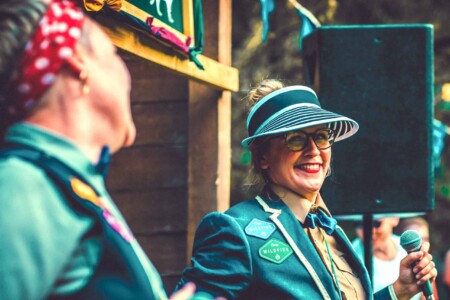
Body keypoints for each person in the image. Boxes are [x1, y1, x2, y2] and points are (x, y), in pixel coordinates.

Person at [0, 0, 197, 299]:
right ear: (78, 61)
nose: (126, 75)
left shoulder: (64, 181)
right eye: (114, 53)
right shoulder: (21, 185)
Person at [175, 79, 437, 299]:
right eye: (296, 139)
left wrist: (398, 291)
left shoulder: (330, 228)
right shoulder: (234, 229)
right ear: (263, 156)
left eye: (321, 136)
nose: (313, 150)